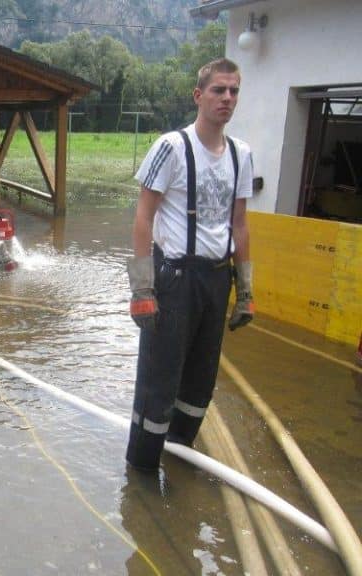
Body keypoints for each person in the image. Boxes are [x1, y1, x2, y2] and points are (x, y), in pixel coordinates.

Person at [125, 58, 255, 471]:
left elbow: (240, 223)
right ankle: (142, 475)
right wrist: (143, 290)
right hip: (175, 279)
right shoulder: (171, 147)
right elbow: (144, 217)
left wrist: (246, 290)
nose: (227, 98)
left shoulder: (241, 154)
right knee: (159, 381)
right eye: (219, 90)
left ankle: (179, 461)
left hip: (216, 280)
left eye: (234, 91)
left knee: (200, 381)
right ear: (199, 96)